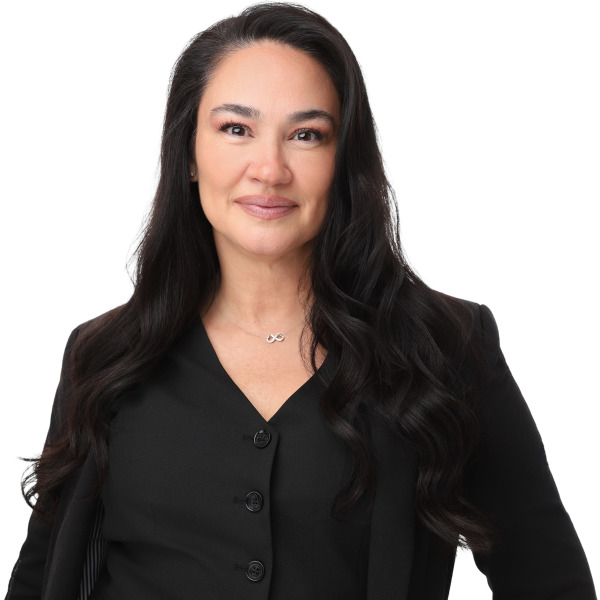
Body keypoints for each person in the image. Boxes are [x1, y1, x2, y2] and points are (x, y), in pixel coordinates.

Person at [4, 3, 596, 599]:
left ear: (344, 161)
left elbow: (550, 581)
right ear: (188, 153)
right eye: (236, 129)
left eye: (306, 135)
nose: (269, 169)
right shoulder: (104, 356)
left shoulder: (445, 347)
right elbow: (39, 578)